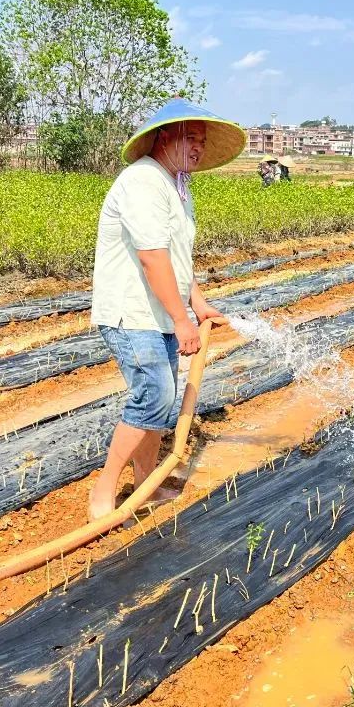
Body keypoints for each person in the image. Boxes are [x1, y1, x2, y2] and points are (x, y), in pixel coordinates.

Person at [87, 97, 247, 521]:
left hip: (157, 311)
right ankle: (104, 491)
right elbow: (152, 258)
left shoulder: (177, 186)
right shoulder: (143, 181)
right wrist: (182, 320)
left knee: (160, 398)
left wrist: (198, 305)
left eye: (202, 140)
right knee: (153, 396)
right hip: (131, 312)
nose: (197, 147)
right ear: (165, 137)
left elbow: (177, 261)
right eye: (190, 137)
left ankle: (145, 484)